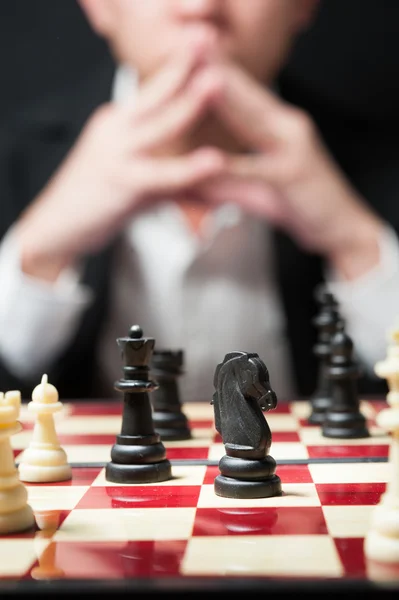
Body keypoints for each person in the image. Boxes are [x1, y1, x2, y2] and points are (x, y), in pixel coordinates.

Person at [0, 0, 398, 402]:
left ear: (303, 6)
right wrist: (38, 256)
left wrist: (356, 243)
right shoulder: (13, 158)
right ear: (100, 6)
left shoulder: (380, 163)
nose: (200, 7)